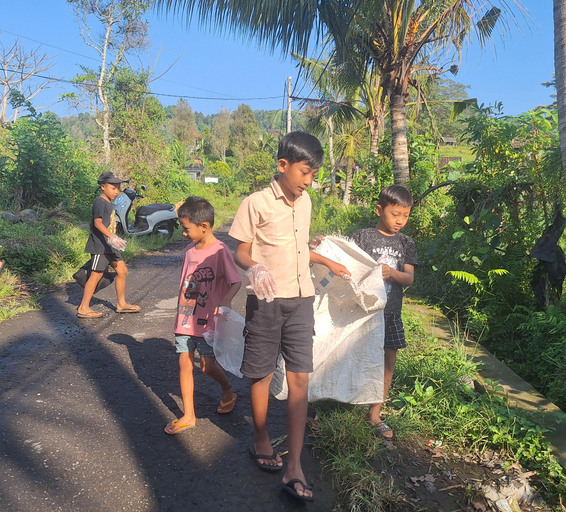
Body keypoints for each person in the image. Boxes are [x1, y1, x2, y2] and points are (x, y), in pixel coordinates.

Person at [229, 131, 351, 502]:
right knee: (261, 372)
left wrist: (326, 258)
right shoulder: (256, 203)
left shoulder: (307, 201)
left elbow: (300, 249)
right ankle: (262, 437)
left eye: (313, 174)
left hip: (301, 301)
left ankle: (294, 463)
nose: (309, 181)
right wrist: (255, 268)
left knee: (301, 377)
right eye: (305, 173)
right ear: (283, 166)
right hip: (266, 301)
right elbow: (241, 251)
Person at [164, 196, 242, 435]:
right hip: (185, 318)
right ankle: (189, 415)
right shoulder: (189, 251)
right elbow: (185, 284)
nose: (184, 234)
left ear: (204, 226)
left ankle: (228, 389)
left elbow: (235, 281)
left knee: (207, 366)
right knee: (184, 364)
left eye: (186, 229)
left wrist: (225, 302)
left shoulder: (220, 251)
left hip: (207, 321)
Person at [351, 185, 418, 440]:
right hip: (363, 313)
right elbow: (346, 263)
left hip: (390, 313)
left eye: (406, 215)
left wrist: (392, 273)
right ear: (380, 210)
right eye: (395, 214)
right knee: (356, 356)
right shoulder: (362, 237)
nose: (400, 221)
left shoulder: (406, 243)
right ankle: (348, 398)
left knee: (388, 361)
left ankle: (375, 412)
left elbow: (409, 278)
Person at [76, 171, 141, 318]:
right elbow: (97, 223)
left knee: (122, 271)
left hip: (109, 245)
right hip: (100, 246)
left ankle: (121, 304)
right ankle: (83, 307)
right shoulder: (99, 201)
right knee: (96, 275)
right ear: (103, 187)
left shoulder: (109, 203)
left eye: (118, 188)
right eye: (113, 188)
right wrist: (111, 235)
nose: (116, 191)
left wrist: (114, 238)